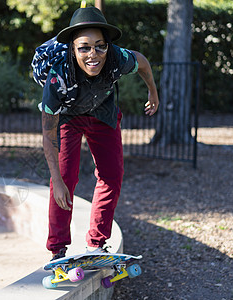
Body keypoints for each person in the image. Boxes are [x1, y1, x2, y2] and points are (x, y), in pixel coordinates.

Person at [33, 6, 159, 260]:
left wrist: (153, 92)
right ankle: (57, 248)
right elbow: (48, 134)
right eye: (84, 48)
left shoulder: (118, 58)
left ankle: (97, 243)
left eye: (100, 46)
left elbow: (143, 63)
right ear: (73, 49)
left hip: (103, 114)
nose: (94, 55)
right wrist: (56, 179)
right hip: (68, 117)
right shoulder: (58, 79)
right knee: (65, 179)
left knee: (112, 175)